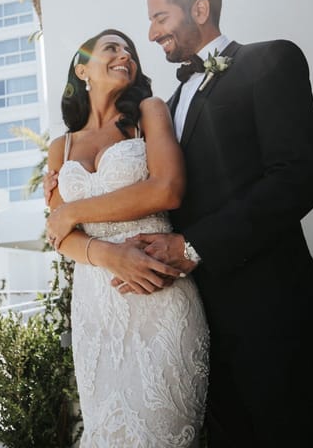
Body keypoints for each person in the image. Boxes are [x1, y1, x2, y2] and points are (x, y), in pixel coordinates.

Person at [47, 0, 313, 447]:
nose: (151, 32)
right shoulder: (165, 101)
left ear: (199, 9)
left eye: (160, 18)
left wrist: (194, 245)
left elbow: (299, 177)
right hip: (192, 314)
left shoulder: (269, 61)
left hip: (271, 314)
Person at [45, 28, 209, 447]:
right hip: (95, 308)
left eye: (130, 51)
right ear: (82, 69)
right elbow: (59, 236)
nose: (125, 55)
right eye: (111, 48)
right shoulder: (59, 149)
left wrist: (73, 210)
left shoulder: (149, 113)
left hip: (158, 291)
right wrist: (108, 255)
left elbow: (166, 188)